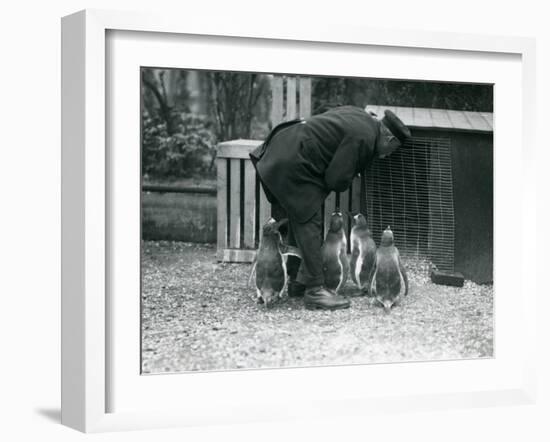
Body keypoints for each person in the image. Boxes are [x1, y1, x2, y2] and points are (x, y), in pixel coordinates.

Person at [250, 105, 411, 310]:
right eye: (392, 151)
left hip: (285, 149)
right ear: (390, 139)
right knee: (310, 223)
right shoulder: (364, 137)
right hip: (292, 161)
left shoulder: (364, 120)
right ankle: (315, 290)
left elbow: (327, 116)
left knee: (300, 219)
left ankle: (298, 281)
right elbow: (335, 179)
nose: (387, 155)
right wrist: (351, 173)